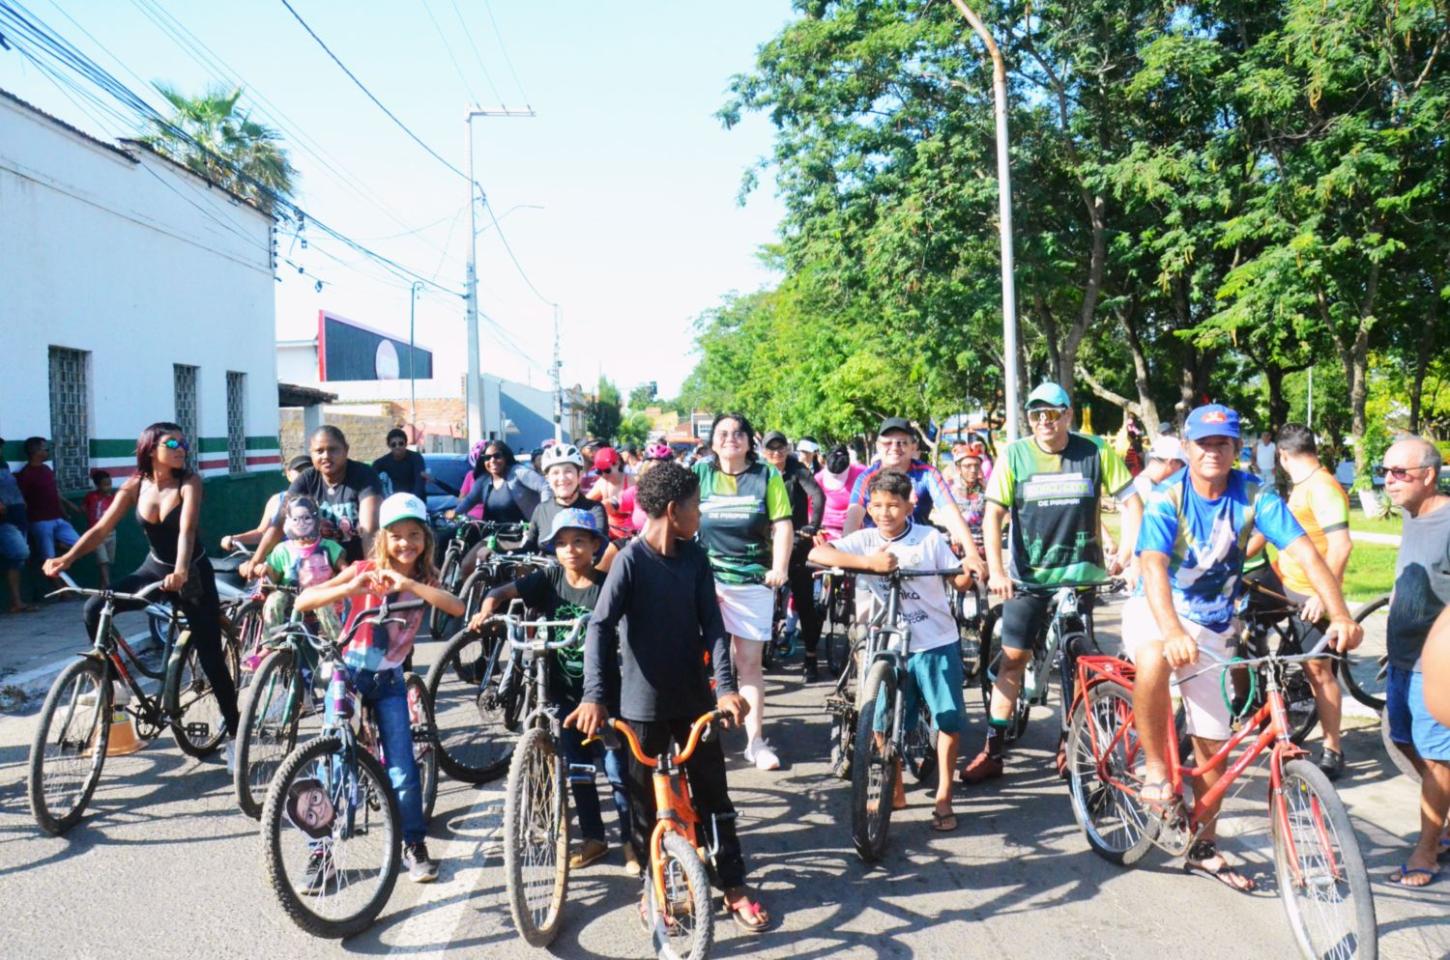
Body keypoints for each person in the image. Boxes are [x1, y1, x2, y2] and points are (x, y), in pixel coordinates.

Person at [1125, 404, 1361, 892]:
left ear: (1238, 449)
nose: (1214, 451)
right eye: (1204, 443)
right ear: (1187, 448)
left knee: (1212, 746)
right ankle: (1153, 768)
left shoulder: (1256, 495)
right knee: (1152, 655)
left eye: (1224, 443)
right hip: (1160, 608)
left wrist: (1339, 612)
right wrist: (1171, 630)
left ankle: (1204, 848)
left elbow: (1305, 553)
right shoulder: (1169, 498)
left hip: (1215, 621)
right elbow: (1151, 567)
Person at [565, 462, 769, 932]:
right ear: (675, 511)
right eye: (697, 506)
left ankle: (733, 885)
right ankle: (653, 886)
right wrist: (595, 696)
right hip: (640, 707)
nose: (701, 514)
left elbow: (713, 628)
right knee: (642, 803)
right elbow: (598, 626)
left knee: (715, 796)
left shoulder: (695, 559)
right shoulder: (630, 560)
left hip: (695, 701)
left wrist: (727, 690)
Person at [963, 382, 1141, 785]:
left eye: (1053, 413)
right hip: (1029, 579)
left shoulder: (1094, 450)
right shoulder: (1014, 455)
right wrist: (998, 571)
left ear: (1068, 415)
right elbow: (993, 517)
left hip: (1080, 577)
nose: (1045, 421)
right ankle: (993, 747)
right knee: (1013, 660)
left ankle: (1069, 740)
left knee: (1082, 665)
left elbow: (1132, 503)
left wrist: (1127, 554)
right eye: (1036, 414)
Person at [43, 423, 242, 765]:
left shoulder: (190, 482)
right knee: (95, 608)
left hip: (191, 573)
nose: (182, 448)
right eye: (174, 443)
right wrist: (67, 557)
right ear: (151, 449)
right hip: (153, 568)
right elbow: (100, 529)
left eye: (184, 443)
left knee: (209, 654)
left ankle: (236, 734)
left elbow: (187, 530)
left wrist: (181, 571)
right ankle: (117, 685)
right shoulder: (135, 485)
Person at [295, 492, 463, 884]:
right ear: (382, 539)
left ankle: (413, 844)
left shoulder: (425, 579)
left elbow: (455, 607)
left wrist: (409, 583)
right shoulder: (362, 568)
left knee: (402, 768)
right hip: (348, 674)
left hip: (389, 682)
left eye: (414, 534)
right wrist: (351, 588)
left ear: (426, 539)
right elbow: (305, 600)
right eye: (397, 535)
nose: (406, 543)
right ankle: (321, 852)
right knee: (334, 761)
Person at [469, 508, 637, 874]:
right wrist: (485, 610)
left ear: (595, 544)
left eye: (579, 541)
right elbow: (499, 592)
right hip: (561, 692)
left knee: (617, 770)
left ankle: (631, 841)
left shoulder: (608, 585)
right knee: (577, 768)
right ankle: (594, 838)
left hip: (605, 695)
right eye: (561, 544)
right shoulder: (547, 579)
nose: (570, 550)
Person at [810, 470, 974, 831]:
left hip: (934, 643)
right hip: (890, 645)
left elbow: (959, 578)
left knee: (947, 719)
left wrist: (969, 571)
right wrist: (870, 564)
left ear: (909, 506)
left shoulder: (928, 538)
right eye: (878, 505)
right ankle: (892, 785)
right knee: (881, 719)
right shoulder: (865, 539)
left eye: (893, 506)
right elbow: (820, 552)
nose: (885, 513)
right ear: (868, 507)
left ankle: (944, 795)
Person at [694, 413, 793, 770]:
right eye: (722, 433)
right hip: (704, 580)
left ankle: (754, 741)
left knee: (748, 664)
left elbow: (782, 525)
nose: (730, 438)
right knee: (699, 662)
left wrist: (779, 568)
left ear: (750, 441)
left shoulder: (768, 475)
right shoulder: (699, 474)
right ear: (712, 440)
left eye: (738, 433)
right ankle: (698, 738)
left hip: (752, 580)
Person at [1380, 435, 1450, 887]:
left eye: (1399, 473)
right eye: (1384, 472)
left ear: (1428, 476)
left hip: (1436, 665)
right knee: (1399, 739)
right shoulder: (1413, 516)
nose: (1388, 481)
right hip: (1401, 659)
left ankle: (1428, 849)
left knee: (1436, 757)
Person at [1272, 424, 1353, 779]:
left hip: (1311, 595)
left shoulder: (1322, 487)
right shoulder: (1303, 486)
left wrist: (1324, 595)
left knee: (1320, 671)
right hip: (1290, 586)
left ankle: (1333, 748)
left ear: (1284, 456)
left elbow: (1341, 546)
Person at [842, 418, 986, 580]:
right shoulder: (866, 478)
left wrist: (972, 554)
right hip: (877, 554)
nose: (894, 448)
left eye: (902, 443)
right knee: (864, 602)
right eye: (887, 443)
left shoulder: (927, 474)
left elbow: (950, 513)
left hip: (921, 551)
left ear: (913, 447)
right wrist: (847, 557)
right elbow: (852, 521)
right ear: (878, 447)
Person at [240, 427, 382, 578]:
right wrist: (255, 561)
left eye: (333, 450)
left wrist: (371, 570)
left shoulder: (364, 476)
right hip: (315, 571)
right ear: (311, 453)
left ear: (346, 450)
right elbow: (279, 523)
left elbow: (370, 529)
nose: (326, 456)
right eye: (319, 451)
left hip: (355, 567)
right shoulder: (307, 479)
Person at [760, 432, 827, 680]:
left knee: (805, 601)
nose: (776, 453)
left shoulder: (797, 469)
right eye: (771, 449)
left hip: (797, 540)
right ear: (763, 450)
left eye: (781, 448)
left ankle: (810, 657)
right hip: (766, 542)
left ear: (788, 449)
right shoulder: (758, 470)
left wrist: (813, 524)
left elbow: (817, 495)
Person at [256, 494, 346, 642]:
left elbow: (345, 569)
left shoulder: (328, 547)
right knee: (273, 600)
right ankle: (269, 644)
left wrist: (344, 583)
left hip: (320, 595)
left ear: (317, 520)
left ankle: (339, 644)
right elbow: (274, 576)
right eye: (295, 519)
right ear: (288, 522)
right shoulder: (282, 549)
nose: (301, 524)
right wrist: (265, 570)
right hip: (290, 597)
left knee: (323, 605)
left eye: (307, 518)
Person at [17, 437, 86, 579]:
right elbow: (22, 500)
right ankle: (60, 589)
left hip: (57, 518)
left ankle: (58, 544)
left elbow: (55, 493)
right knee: (48, 559)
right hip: (40, 521)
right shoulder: (26, 474)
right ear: (36, 452)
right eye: (45, 449)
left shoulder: (47, 469)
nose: (48, 452)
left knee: (79, 545)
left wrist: (66, 510)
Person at [521, 444, 609, 555]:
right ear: (547, 478)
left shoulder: (595, 509)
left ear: (580, 475)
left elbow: (599, 549)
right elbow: (529, 548)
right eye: (555, 473)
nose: (562, 478)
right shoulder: (541, 510)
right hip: (548, 571)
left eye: (568, 471)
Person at [220, 455, 312, 554]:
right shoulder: (276, 500)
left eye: (308, 471)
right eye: (300, 471)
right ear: (288, 474)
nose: (304, 475)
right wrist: (235, 538)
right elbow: (262, 533)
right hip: (278, 562)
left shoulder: (320, 499)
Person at [450, 440, 546, 528]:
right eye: (487, 458)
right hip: (495, 536)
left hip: (523, 535)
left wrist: (543, 516)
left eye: (497, 456)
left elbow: (545, 487)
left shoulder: (519, 472)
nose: (492, 461)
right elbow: (469, 500)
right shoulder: (484, 481)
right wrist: (455, 512)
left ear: (505, 457)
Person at [0, 441, 35, 613]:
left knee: (17, 561)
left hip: (17, 514)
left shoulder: (3, 463)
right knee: (21, 552)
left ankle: (16, 600)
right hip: (5, 519)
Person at [618, 441, 673, 533]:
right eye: (652, 470)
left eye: (662, 470)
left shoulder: (677, 492)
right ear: (645, 469)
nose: (657, 474)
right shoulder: (635, 491)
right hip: (640, 540)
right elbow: (615, 505)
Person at [817, 444, 866, 540]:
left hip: (857, 528)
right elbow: (810, 507)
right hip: (827, 530)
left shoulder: (862, 473)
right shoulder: (818, 478)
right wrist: (815, 528)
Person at [587, 446, 635, 539]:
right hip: (610, 533)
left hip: (631, 534)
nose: (604, 475)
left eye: (607, 470)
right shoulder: (602, 482)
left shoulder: (632, 481)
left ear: (617, 463)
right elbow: (585, 502)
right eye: (599, 471)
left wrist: (617, 506)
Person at [83, 470, 118, 589]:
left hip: (110, 532)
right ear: (97, 485)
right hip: (96, 534)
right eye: (105, 485)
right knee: (103, 560)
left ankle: (102, 587)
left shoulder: (113, 499)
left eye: (109, 484)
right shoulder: (91, 497)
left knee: (108, 561)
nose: (108, 487)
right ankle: (108, 586)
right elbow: (82, 510)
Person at [371, 428, 430, 499]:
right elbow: (371, 478)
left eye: (401, 443)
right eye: (393, 445)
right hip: (396, 501)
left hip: (416, 500)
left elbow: (419, 482)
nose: (397, 447)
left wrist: (414, 499)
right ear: (389, 446)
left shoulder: (416, 458)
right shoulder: (383, 462)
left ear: (406, 444)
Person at [455, 441, 489, 521]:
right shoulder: (470, 475)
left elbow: (461, 499)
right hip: (472, 520)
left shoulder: (501, 476)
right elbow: (461, 499)